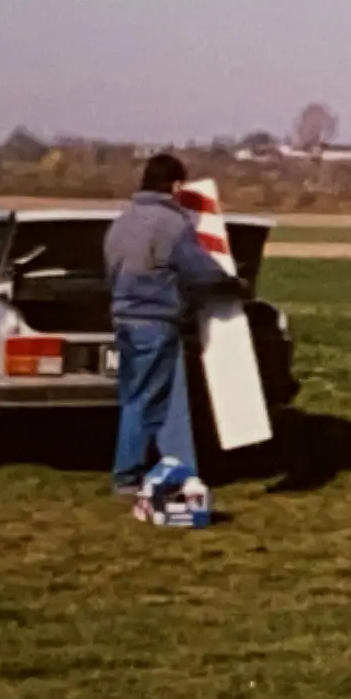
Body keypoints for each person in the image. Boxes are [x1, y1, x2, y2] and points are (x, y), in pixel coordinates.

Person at [101, 152, 239, 511]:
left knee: (145, 398)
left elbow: (111, 271)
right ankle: (128, 477)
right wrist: (233, 285)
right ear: (176, 186)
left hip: (123, 320)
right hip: (156, 322)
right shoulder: (171, 225)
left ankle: (179, 471)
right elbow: (201, 272)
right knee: (148, 402)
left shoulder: (121, 223)